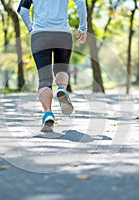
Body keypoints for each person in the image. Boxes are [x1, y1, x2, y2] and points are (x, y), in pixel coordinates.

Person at [17, 0, 87, 132]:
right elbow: (81, 2)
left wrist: (32, 28)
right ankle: (61, 89)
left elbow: (24, 11)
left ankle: (48, 113)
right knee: (62, 69)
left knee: (44, 79)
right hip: (63, 34)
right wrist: (83, 27)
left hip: (40, 34)